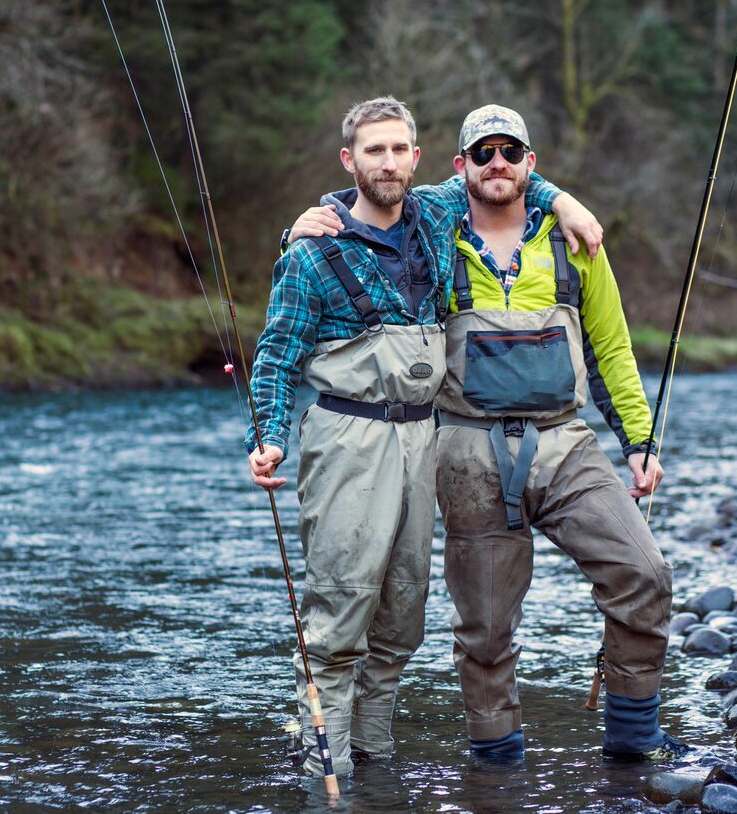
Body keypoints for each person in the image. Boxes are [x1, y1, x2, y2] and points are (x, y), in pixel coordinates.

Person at [288, 105, 688, 763]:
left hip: (566, 443)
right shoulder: (429, 239)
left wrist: (640, 443)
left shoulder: (574, 242)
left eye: (511, 151)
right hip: (467, 450)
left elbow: (613, 350)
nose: (497, 162)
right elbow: (366, 213)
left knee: (645, 571)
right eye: (483, 153)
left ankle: (634, 737)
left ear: (532, 163)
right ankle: (497, 763)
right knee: (485, 627)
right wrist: (300, 227)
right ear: (461, 167)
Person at [245, 97, 602, 779]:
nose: (386, 161)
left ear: (416, 158)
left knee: (403, 615)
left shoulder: (437, 212)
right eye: (371, 150)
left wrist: (564, 204)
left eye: (397, 149)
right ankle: (326, 766)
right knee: (341, 612)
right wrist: (268, 437)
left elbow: (504, 170)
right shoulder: (312, 248)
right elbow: (275, 354)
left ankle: (373, 764)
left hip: (421, 441)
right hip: (346, 437)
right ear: (349, 160)